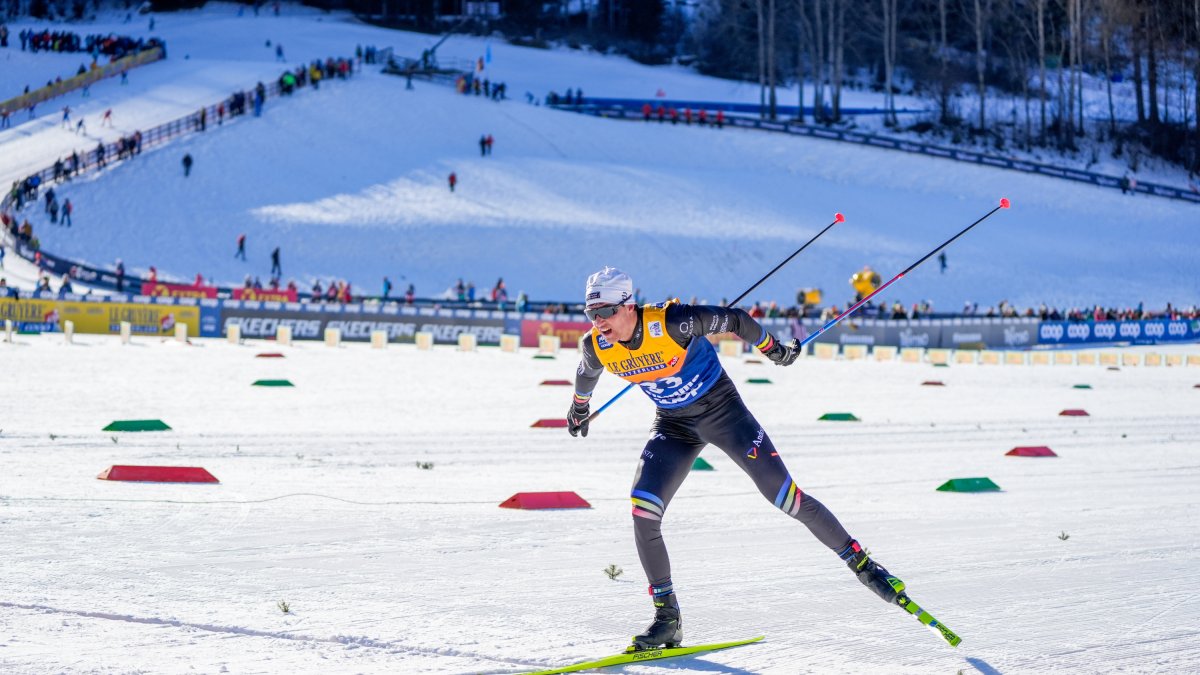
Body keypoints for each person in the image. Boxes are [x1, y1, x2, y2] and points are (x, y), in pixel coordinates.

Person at [567, 267, 906, 652]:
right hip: (674, 426)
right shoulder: (596, 343)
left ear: (629, 304)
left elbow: (738, 321)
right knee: (643, 509)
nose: (599, 322)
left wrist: (774, 349)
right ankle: (667, 619)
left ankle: (862, 565)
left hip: (725, 416)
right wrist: (579, 408)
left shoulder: (675, 322)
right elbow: (586, 372)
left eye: (606, 311)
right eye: (591, 314)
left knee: (787, 498)